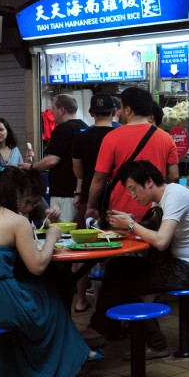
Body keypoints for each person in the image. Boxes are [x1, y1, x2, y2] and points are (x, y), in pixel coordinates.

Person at [0, 168, 92, 377]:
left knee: (29, 293)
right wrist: (52, 235)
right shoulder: (16, 220)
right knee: (49, 293)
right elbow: (38, 266)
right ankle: (68, 361)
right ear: (16, 192)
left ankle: (6, 371)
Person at [81, 161, 189, 355]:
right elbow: (153, 231)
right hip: (177, 263)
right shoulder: (161, 198)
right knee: (117, 266)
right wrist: (130, 223)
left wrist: (132, 224)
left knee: (123, 284)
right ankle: (102, 328)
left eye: (133, 189)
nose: (132, 195)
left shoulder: (174, 196)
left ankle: (155, 344)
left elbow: (160, 241)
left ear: (149, 182)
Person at [85, 87, 178, 225]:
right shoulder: (166, 138)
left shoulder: (111, 138)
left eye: (122, 108)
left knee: (123, 246)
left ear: (128, 110)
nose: (121, 112)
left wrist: (91, 207)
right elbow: (174, 176)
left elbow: (99, 178)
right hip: (154, 214)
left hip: (120, 214)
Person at [69, 92, 117, 313]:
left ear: (91, 113)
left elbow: (78, 171)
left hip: (89, 199)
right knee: (113, 249)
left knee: (82, 250)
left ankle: (80, 299)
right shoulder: (120, 134)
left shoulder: (81, 136)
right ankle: (108, 302)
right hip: (115, 200)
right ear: (115, 111)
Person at [24, 94, 88, 223]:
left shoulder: (63, 129)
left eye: (53, 108)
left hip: (63, 192)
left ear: (62, 110)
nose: (51, 112)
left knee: (62, 230)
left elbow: (53, 159)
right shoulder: (85, 127)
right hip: (80, 192)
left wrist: (31, 166)